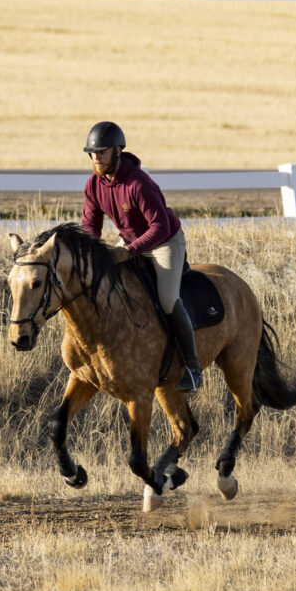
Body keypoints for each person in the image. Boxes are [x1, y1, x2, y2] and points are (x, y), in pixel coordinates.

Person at [78, 121, 205, 391]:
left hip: (164, 241)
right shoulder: (93, 185)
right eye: (92, 152)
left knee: (168, 300)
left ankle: (193, 369)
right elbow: (90, 228)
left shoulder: (138, 183)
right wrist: (87, 257)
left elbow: (160, 226)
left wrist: (128, 251)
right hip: (129, 243)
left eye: (101, 152)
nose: (95, 157)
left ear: (117, 150)